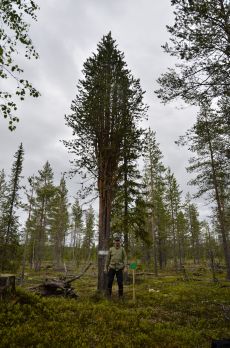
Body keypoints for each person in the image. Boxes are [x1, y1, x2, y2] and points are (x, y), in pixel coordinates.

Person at [104, 233, 127, 297]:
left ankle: (121, 296)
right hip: (112, 268)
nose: (117, 242)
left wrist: (125, 267)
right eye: (116, 241)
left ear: (120, 242)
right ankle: (109, 295)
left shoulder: (122, 249)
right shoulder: (111, 249)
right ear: (114, 242)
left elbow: (125, 258)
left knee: (120, 282)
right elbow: (107, 259)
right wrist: (105, 267)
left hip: (119, 268)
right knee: (109, 282)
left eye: (118, 241)